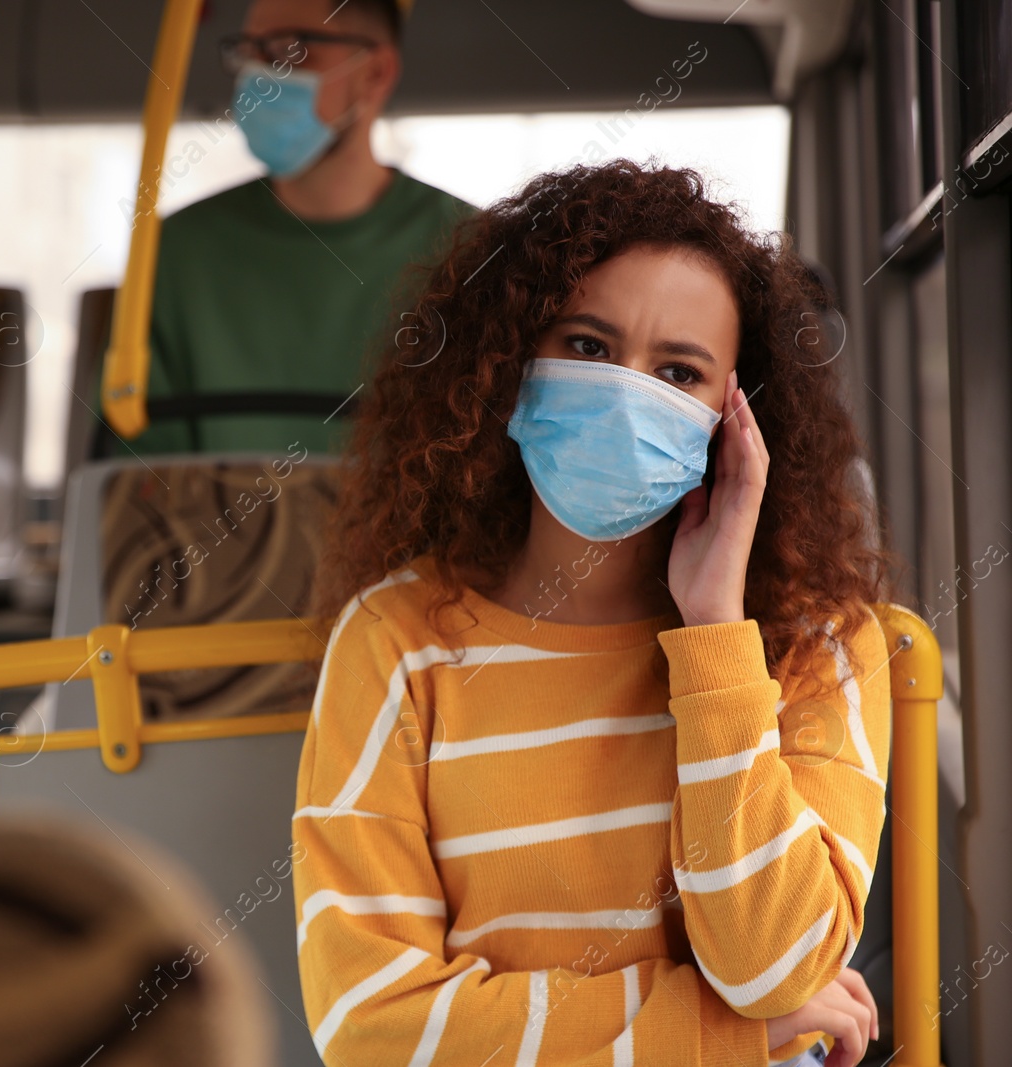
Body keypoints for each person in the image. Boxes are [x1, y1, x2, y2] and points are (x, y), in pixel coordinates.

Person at [294, 161, 891, 1067]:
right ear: (509, 366)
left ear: (736, 420)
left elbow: (777, 967)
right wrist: (715, 1035)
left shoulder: (822, 645)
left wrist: (715, 636)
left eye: (679, 371)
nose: (622, 392)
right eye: (587, 346)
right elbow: (370, 1025)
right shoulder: (394, 641)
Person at [128, 0, 471, 455]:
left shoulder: (471, 250)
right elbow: (145, 480)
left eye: (291, 51)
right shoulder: (180, 250)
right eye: (249, 51)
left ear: (375, 73)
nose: (258, 76)